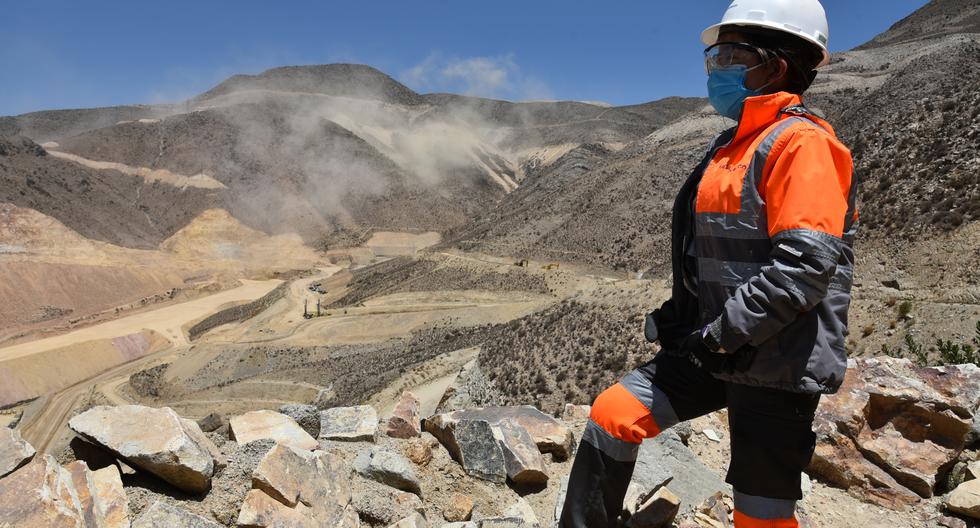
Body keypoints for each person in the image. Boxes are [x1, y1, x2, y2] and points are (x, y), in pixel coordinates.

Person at [559, 0, 857, 526]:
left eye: (730, 54)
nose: (716, 67)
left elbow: (804, 267)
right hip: (716, 346)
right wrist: (685, 313)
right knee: (613, 414)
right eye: (714, 55)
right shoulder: (734, 143)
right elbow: (717, 252)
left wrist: (720, 333)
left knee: (760, 513)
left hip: (776, 362)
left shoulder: (802, 144)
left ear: (776, 65)